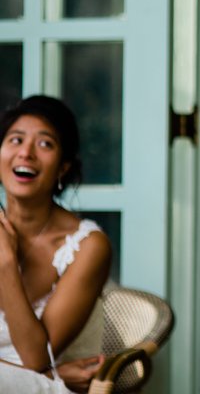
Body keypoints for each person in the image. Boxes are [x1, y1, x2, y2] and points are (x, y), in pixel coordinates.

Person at [0, 95, 112, 393]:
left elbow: (35, 358)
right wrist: (56, 373)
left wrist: (6, 262)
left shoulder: (87, 246)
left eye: (44, 143)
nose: (26, 153)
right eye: (15, 140)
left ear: (63, 167)